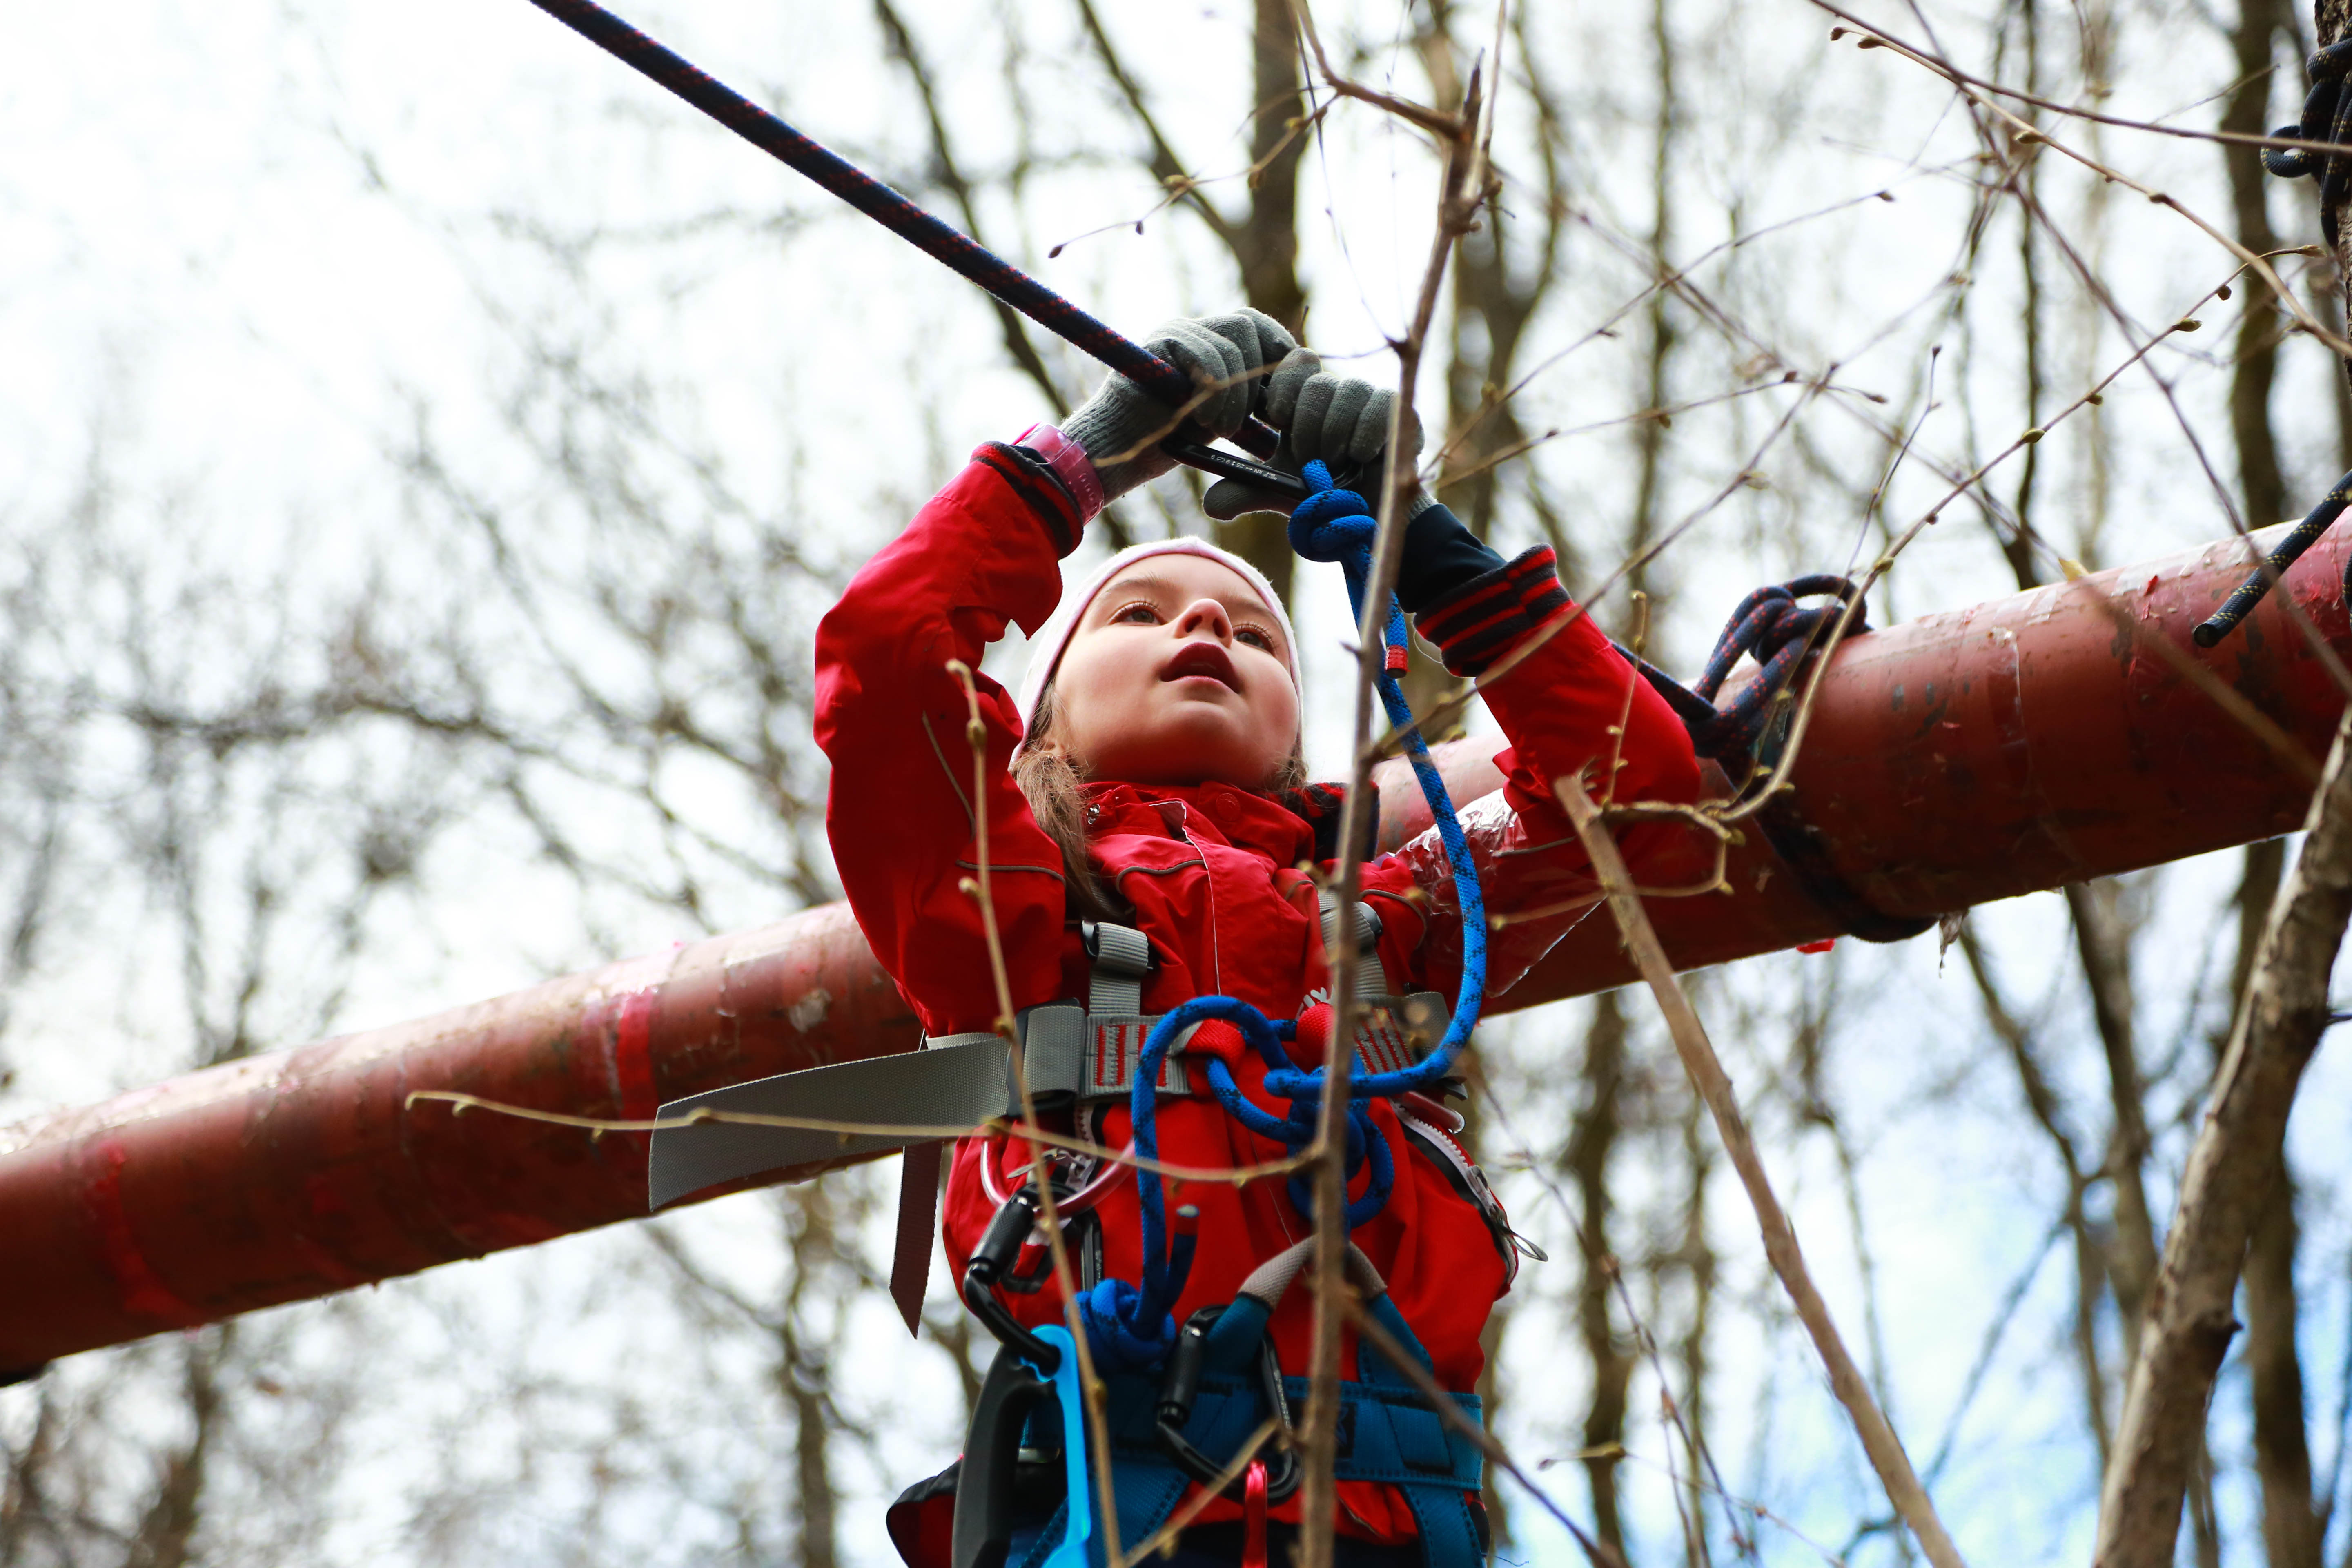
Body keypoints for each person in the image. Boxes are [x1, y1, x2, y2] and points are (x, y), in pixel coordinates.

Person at [813, 310, 1701, 1568]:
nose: (1204, 632)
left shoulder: (1385, 914)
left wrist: (1430, 552)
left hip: (1391, 1521)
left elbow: (1641, 794)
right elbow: (888, 656)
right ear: (1044, 722)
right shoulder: (1017, 911)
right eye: (1138, 615)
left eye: (1254, 630)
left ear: (1295, 722)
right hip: (1133, 1517)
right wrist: (1088, 464)